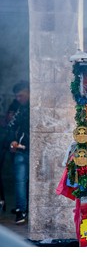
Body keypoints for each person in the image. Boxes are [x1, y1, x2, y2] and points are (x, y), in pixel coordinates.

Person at [7, 81, 30, 224]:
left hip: (34, 151)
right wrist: (12, 142)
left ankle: (25, 210)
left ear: (28, 92)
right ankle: (21, 211)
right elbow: (11, 126)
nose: (18, 99)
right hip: (21, 150)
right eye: (16, 96)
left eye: (20, 95)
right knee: (20, 182)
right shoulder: (20, 108)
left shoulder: (34, 107)